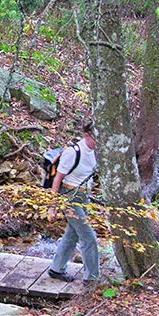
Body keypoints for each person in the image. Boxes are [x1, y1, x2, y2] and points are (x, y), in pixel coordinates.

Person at [47, 121, 100, 284]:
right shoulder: (73, 152)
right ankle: (91, 279)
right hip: (69, 196)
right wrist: (52, 206)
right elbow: (57, 179)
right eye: (96, 138)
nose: (98, 142)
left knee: (72, 234)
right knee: (88, 237)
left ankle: (56, 269)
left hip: (84, 197)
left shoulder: (95, 152)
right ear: (87, 135)